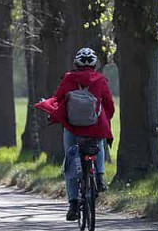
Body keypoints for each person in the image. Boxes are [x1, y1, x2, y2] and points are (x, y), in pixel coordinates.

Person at [48, 48, 115, 221]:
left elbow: (57, 99)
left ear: (76, 63)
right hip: (94, 126)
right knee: (98, 144)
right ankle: (99, 177)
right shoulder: (100, 80)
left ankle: (73, 204)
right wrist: (104, 119)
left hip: (72, 127)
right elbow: (110, 106)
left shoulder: (68, 78)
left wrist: (53, 114)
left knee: (70, 160)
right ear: (94, 64)